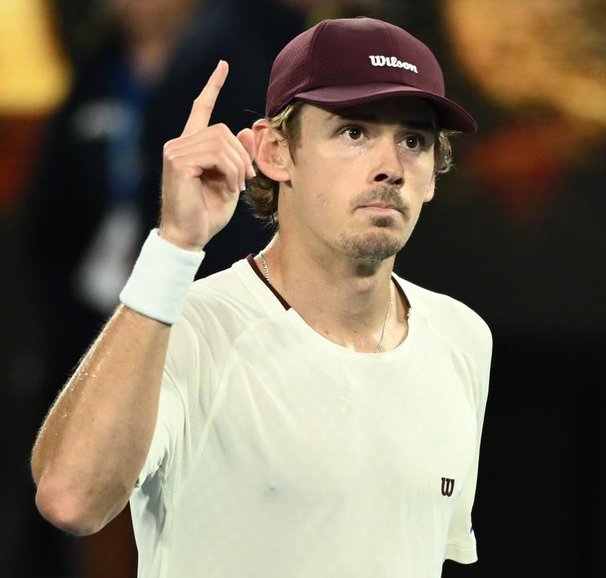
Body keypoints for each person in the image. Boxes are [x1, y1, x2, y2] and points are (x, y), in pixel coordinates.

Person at [30, 15, 492, 578]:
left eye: (414, 141)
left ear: (434, 176)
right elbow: (71, 501)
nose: (391, 168)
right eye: (354, 132)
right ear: (275, 152)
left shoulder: (462, 338)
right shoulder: (186, 330)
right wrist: (175, 247)